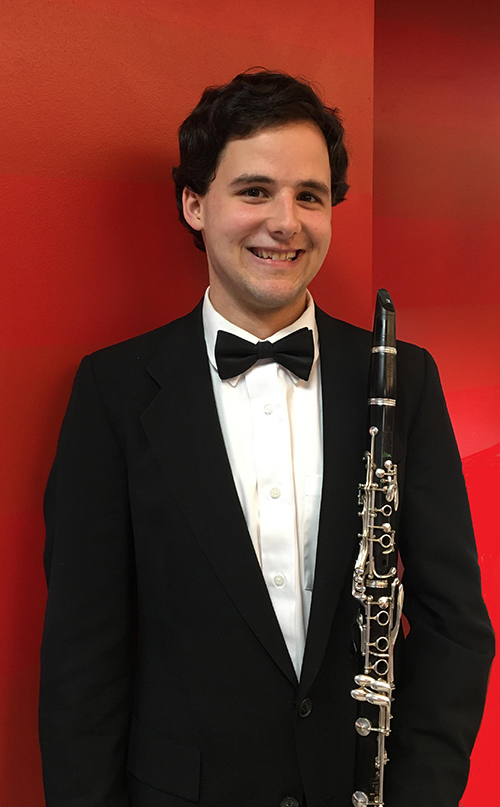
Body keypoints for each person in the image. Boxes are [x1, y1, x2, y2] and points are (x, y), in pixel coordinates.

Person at [39, 70, 494, 807]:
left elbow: (454, 626)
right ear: (195, 203)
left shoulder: (403, 376)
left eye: (309, 196)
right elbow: (81, 663)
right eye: (255, 191)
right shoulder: (112, 392)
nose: (286, 221)